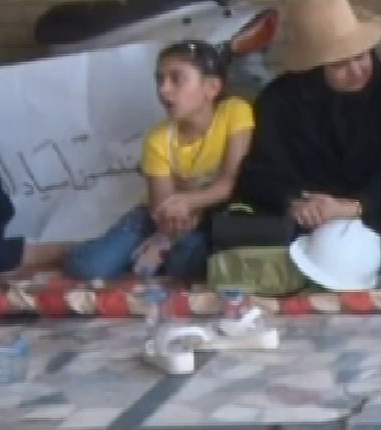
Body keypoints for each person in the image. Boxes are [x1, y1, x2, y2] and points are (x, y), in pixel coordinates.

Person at [231, 0, 381, 269]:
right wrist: (295, 203)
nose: (356, 71)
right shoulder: (281, 101)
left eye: (361, 57)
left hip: (377, 210)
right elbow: (260, 174)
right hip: (310, 217)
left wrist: (354, 207)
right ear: (316, 68)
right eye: (339, 65)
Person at [64, 41, 254, 281]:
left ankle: (149, 255)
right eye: (160, 79)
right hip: (162, 218)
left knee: (185, 267)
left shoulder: (235, 112)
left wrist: (188, 201)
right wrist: (173, 221)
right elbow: (161, 205)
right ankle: (74, 248)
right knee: (89, 268)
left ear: (212, 87)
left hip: (213, 214)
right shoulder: (158, 138)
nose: (164, 90)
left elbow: (229, 183)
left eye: (177, 79)